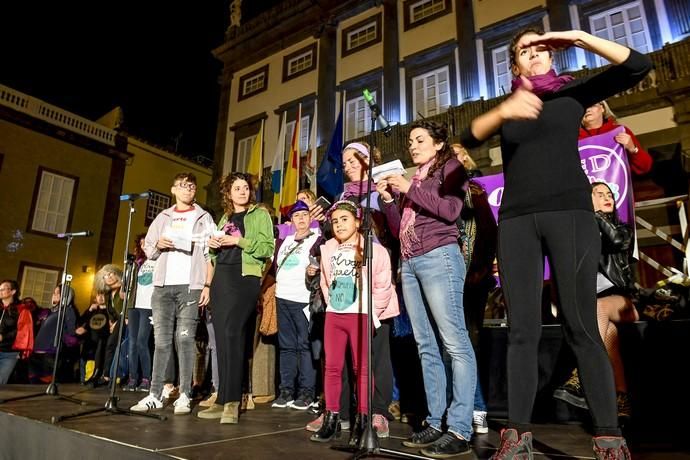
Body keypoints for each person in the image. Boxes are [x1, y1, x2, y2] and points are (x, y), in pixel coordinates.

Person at [460, 27, 651, 458]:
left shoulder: (574, 94)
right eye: (525, 51)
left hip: (571, 216)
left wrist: (582, 38)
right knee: (522, 331)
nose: (535, 55)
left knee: (581, 325)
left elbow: (638, 66)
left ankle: (608, 435)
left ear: (554, 55)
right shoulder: (510, 106)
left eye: (542, 48)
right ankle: (517, 435)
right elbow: (469, 137)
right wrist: (506, 109)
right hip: (517, 222)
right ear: (515, 65)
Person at [378, 119, 475, 458]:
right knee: (425, 345)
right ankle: (435, 421)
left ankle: (461, 428)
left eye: (419, 140)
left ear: (437, 144)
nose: (412, 145)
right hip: (411, 262)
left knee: (454, 342)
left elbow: (451, 211)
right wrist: (390, 201)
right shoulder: (415, 179)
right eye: (410, 141)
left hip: (440, 258)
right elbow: (396, 228)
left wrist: (408, 189)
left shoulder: (452, 168)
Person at [310, 201, 398, 444]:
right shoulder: (328, 248)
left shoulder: (373, 248)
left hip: (360, 315)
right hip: (335, 315)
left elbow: (383, 285)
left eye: (345, 219)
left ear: (358, 222)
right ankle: (332, 418)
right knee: (332, 368)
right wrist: (331, 304)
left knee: (362, 369)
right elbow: (326, 281)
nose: (339, 224)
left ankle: (363, 420)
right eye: (335, 221)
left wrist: (372, 314)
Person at [131, 172, 215, 415]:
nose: (188, 190)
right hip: (162, 287)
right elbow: (148, 248)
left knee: (185, 339)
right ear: (173, 189)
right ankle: (155, 394)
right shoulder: (163, 217)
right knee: (161, 342)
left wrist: (207, 285)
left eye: (191, 186)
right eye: (183, 186)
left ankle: (185, 394)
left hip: (190, 285)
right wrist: (157, 245)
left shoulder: (203, 217)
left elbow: (211, 254)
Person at [554, 182, 638, 421]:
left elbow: (618, 242)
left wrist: (597, 215)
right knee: (609, 338)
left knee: (599, 308)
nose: (606, 197)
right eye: (599, 194)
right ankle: (621, 398)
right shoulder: (579, 233)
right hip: (592, 305)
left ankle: (581, 374)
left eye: (609, 194)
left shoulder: (622, 229)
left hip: (623, 300)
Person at [197, 172, 274, 424]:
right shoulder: (225, 217)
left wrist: (238, 240)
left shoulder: (259, 214)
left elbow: (266, 248)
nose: (242, 191)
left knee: (233, 333)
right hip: (222, 279)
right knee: (220, 337)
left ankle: (233, 400)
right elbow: (213, 256)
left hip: (245, 278)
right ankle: (221, 400)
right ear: (228, 194)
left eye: (245, 188)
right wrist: (212, 244)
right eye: (236, 188)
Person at [453, 144, 498, 435]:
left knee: (467, 342)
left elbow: (489, 233)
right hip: (444, 278)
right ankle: (459, 408)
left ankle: (477, 407)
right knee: (450, 345)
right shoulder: (435, 193)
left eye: (459, 155)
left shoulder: (476, 193)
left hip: (472, 278)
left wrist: (480, 271)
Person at [271, 200, 320, 410]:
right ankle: (286, 391)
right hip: (282, 298)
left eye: (305, 215)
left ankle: (307, 392)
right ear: (291, 220)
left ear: (311, 218)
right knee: (286, 347)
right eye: (297, 216)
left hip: (303, 300)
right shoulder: (284, 241)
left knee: (305, 346)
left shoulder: (317, 240)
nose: (301, 219)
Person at [580, 100, 652, 176]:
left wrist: (633, 149)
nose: (587, 110)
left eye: (592, 105)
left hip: (619, 185)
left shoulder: (620, 131)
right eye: (583, 107)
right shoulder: (573, 140)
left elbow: (645, 167)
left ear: (602, 108)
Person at [125, 234, 155, 392]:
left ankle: (146, 378)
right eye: (141, 244)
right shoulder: (137, 263)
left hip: (148, 306)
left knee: (142, 342)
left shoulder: (158, 260)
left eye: (147, 243)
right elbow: (128, 287)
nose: (144, 246)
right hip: (133, 306)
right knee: (132, 343)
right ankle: (132, 377)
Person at [0, 280, 20, 384]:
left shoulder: (20, 309)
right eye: (0, 289)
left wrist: (4, 337)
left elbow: (21, 330)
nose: (0, 290)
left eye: (4, 288)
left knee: (1, 382)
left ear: (13, 291)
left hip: (9, 353)